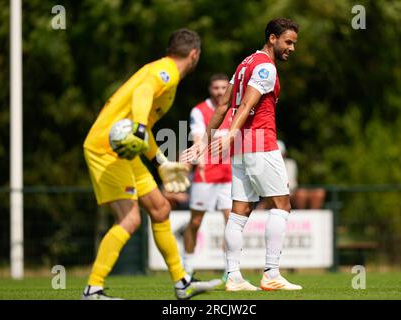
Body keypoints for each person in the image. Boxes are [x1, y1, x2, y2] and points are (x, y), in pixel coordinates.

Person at [82, 29, 216, 300]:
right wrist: (141, 128)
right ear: (194, 55)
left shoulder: (166, 76)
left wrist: (161, 162)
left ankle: (182, 283)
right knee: (130, 219)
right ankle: (92, 289)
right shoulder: (165, 72)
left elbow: (147, 123)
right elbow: (142, 93)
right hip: (106, 148)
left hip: (125, 152)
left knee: (160, 208)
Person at [182, 18, 302, 291]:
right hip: (260, 143)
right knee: (281, 207)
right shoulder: (265, 67)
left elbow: (224, 104)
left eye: (294, 43)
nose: (292, 48)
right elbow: (247, 103)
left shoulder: (244, 64)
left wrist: (207, 142)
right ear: (272, 38)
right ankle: (271, 273)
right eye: (288, 42)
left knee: (239, 213)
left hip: (240, 150)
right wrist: (231, 134)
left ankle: (234, 277)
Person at [182, 74, 232, 278]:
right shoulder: (199, 110)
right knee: (195, 223)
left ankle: (230, 271)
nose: (220, 91)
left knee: (232, 223)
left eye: (223, 88)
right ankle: (186, 269)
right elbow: (197, 136)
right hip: (205, 174)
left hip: (229, 176)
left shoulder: (234, 109)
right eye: (216, 88)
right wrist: (197, 156)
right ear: (210, 89)